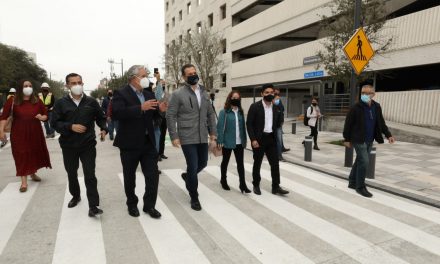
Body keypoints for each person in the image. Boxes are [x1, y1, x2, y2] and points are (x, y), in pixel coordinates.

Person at [112, 65, 167, 218]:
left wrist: (160, 111)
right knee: (130, 177)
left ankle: (149, 206)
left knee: (152, 176)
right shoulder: (121, 93)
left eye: (146, 75)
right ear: (133, 78)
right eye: (143, 76)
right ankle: (132, 204)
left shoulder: (149, 94)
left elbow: (155, 115)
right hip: (129, 144)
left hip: (147, 142)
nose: (146, 79)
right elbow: (117, 113)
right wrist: (140, 108)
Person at [51, 73, 108, 217]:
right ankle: (75, 196)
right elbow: (55, 123)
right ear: (67, 86)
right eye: (73, 83)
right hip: (68, 145)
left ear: (82, 83)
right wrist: (70, 126)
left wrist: (103, 128)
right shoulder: (60, 103)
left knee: (90, 174)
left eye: (79, 82)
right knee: (72, 173)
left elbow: (101, 117)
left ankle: (93, 205)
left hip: (87, 144)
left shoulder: (91, 101)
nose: (77, 85)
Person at [166, 64, 217, 211]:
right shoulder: (177, 94)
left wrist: (213, 133)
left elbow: (210, 114)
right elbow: (170, 115)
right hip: (187, 136)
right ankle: (194, 196)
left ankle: (188, 176)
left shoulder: (204, 92)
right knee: (193, 165)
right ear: (184, 77)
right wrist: (174, 136)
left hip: (202, 135)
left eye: (194, 72)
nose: (193, 75)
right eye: (189, 74)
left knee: (204, 163)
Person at [343, 84, 395, 198]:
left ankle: (352, 182)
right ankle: (360, 187)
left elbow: (381, 122)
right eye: (363, 93)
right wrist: (346, 139)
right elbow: (348, 124)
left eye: (367, 93)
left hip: (370, 139)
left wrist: (388, 134)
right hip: (358, 139)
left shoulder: (376, 107)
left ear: (373, 94)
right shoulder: (355, 107)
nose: (365, 95)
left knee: (360, 160)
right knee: (365, 161)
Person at [0, 80, 51, 192]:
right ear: (20, 88)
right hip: (19, 134)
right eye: (25, 86)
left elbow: (45, 115)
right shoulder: (12, 100)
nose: (28, 87)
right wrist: (1, 131)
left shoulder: (37, 101)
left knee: (33, 153)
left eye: (30, 86)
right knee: (21, 155)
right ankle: (24, 182)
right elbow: (3, 116)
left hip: (35, 133)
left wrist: (42, 117)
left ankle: (33, 174)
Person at [246, 84, 289, 196]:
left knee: (275, 164)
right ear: (262, 94)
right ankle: (256, 184)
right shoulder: (255, 106)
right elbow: (249, 124)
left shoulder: (276, 107)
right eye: (267, 92)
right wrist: (253, 139)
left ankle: (276, 187)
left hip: (271, 139)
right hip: (259, 139)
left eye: (271, 92)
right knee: (258, 163)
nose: (270, 94)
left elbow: (279, 122)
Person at [216, 91, 250, 193]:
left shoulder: (240, 112)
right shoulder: (224, 112)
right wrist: (220, 140)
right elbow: (220, 127)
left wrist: (245, 140)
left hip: (239, 142)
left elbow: (243, 128)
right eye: (234, 97)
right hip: (227, 142)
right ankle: (223, 180)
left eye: (238, 98)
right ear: (230, 98)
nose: (236, 99)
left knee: (240, 164)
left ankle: (242, 184)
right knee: (225, 162)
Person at [274, 88, 290, 154]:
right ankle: (279, 153)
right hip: (274, 122)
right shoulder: (272, 101)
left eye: (278, 93)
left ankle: (282, 148)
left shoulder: (278, 100)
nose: (277, 95)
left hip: (279, 121)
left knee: (280, 136)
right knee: (277, 137)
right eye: (276, 93)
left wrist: (282, 120)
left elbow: (282, 109)